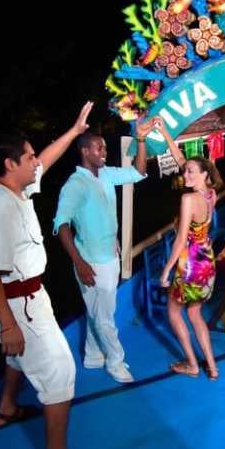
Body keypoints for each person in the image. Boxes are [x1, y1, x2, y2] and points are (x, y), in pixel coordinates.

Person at [0, 101, 100, 449]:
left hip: (26, 297)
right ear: (10, 164)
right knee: (60, 373)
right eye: (27, 157)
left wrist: (75, 132)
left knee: (17, 361)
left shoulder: (13, 185)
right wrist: (10, 326)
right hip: (18, 304)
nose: (35, 162)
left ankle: (7, 408)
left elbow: (47, 157)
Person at [53, 120, 154, 384]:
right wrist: (79, 263)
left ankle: (93, 356)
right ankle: (116, 362)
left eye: (105, 148)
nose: (104, 151)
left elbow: (139, 172)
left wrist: (141, 140)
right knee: (105, 316)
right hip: (91, 262)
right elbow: (61, 225)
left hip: (111, 255)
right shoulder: (75, 185)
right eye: (99, 148)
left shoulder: (106, 174)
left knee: (97, 311)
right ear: (85, 152)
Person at [156, 118, 223, 379]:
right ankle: (213, 367)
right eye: (185, 172)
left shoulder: (188, 199)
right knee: (195, 314)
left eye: (192, 172)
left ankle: (194, 365)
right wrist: (165, 134)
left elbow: (181, 239)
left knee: (174, 312)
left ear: (205, 174)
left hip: (190, 263)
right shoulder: (211, 194)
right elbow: (183, 161)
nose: (186, 175)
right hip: (207, 261)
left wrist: (166, 270)